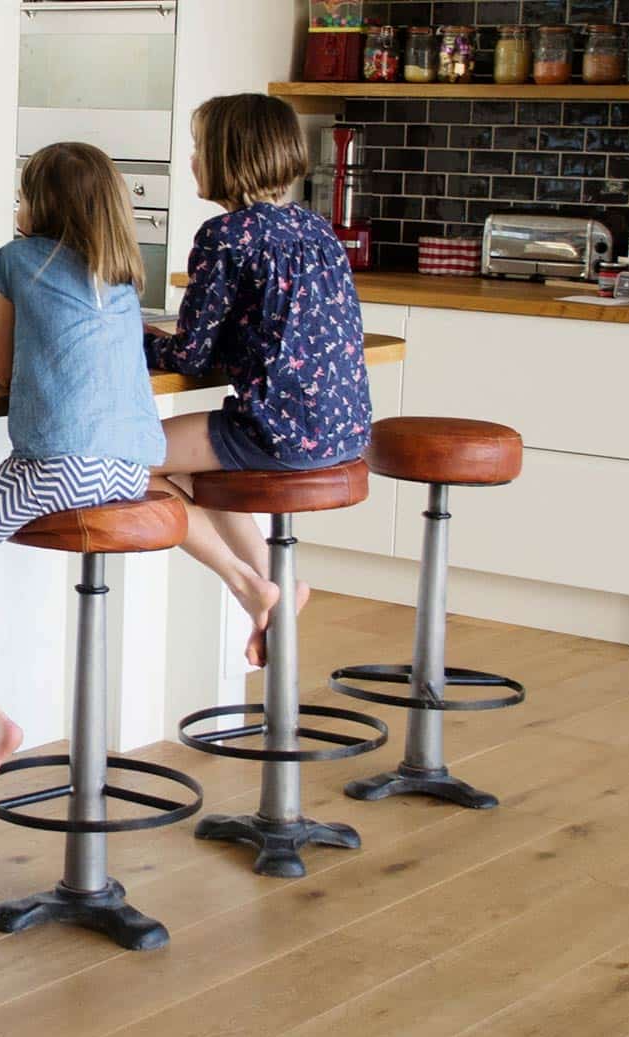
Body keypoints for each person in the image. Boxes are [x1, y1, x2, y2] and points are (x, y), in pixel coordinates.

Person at [0, 142, 167, 799]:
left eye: (23, 193)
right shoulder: (119, 273)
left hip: (60, 467)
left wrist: (1, 358)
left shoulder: (19, 261)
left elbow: (3, 371)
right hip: (133, 470)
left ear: (40, 204)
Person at [146, 93, 373, 666]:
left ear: (227, 156)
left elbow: (189, 358)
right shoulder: (317, 229)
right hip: (344, 432)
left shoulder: (225, 236)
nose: (191, 160)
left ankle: (244, 582)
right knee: (194, 463)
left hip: (281, 432)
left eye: (199, 147)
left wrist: (126, 332)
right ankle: (274, 582)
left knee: (119, 458)